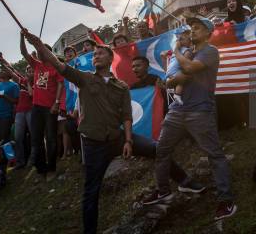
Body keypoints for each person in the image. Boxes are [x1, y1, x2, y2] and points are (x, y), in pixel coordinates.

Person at [20, 30, 201, 234]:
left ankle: (185, 182)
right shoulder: (84, 78)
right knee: (91, 192)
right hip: (93, 145)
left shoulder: (121, 86)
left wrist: (129, 141)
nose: (95, 56)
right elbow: (59, 66)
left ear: (110, 58)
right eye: (94, 54)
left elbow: (126, 116)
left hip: (117, 138)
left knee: (158, 149)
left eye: (100, 53)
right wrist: (39, 46)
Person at [143, 16, 236, 221]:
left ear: (208, 33)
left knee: (214, 154)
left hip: (201, 111)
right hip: (177, 110)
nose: (192, 31)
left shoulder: (210, 51)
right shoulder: (189, 53)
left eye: (197, 28)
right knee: (162, 150)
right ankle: (163, 189)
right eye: (191, 28)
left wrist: (176, 52)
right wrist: (180, 68)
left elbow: (189, 70)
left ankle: (226, 199)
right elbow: (170, 82)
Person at [20, 32, 64, 181]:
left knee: (51, 138)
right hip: (36, 108)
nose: (39, 53)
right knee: (36, 139)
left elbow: (60, 84)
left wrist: (56, 103)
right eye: (38, 51)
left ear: (48, 52)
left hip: (50, 108)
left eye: (42, 51)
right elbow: (24, 52)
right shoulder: (36, 65)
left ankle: (51, 169)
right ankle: (40, 170)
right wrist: (22, 37)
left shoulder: (55, 66)